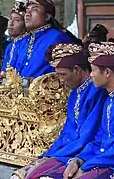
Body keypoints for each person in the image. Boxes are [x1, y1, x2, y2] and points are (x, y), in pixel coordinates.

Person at [12, 43, 108, 179]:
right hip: (67, 151)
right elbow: (67, 131)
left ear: (76, 70)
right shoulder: (75, 93)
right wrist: (48, 155)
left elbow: (86, 136)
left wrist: (56, 156)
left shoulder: (97, 92)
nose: (61, 80)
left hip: (82, 154)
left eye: (63, 74)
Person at [40, 41, 114, 179]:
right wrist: (79, 160)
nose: (91, 75)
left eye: (93, 70)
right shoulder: (111, 97)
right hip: (99, 158)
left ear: (107, 73)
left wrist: (88, 165)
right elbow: (99, 138)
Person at [16, 0, 73, 80]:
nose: (28, 14)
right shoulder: (23, 41)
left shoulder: (58, 38)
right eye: (27, 11)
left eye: (34, 10)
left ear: (47, 16)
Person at [1, 1, 28, 72]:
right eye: (10, 18)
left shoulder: (28, 43)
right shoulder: (9, 46)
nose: (11, 23)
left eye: (17, 20)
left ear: (26, 23)